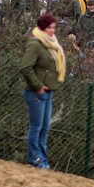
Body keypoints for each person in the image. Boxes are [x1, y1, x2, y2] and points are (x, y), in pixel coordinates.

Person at [21, 14, 66, 169]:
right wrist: (38, 85)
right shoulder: (35, 44)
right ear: (42, 28)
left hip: (49, 91)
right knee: (36, 127)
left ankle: (43, 159)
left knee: (45, 127)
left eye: (54, 28)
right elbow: (26, 67)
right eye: (49, 28)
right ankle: (35, 158)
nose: (52, 31)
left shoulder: (52, 44)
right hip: (36, 92)